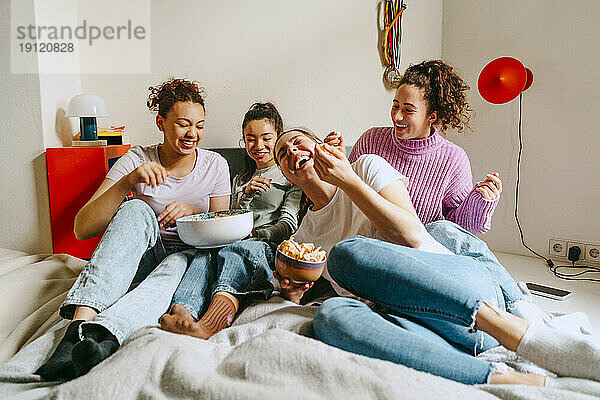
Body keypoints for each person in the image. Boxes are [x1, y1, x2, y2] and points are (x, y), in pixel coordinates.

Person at [274, 128, 600, 388]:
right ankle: (508, 378)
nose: (292, 154)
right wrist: (294, 292)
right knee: (330, 317)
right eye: (282, 154)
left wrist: (347, 180)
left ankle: (523, 335)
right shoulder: (303, 235)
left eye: (298, 143)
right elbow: (326, 289)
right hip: (432, 329)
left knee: (347, 254)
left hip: (464, 293)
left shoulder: (366, 167)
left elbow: (411, 235)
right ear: (286, 176)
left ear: (319, 146)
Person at [35, 78, 231, 381]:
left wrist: (195, 212)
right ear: (161, 123)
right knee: (136, 208)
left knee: (178, 262)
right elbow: (82, 227)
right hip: (141, 258)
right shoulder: (138, 159)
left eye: (200, 125)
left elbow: (224, 232)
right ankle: (75, 331)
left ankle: (103, 340)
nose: (193, 134)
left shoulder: (215, 165)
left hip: (185, 262)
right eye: (183, 124)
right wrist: (128, 182)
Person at [159, 102, 302, 339]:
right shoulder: (240, 178)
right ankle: (183, 311)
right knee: (204, 252)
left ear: (278, 138)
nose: (258, 146)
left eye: (266, 138)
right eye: (250, 139)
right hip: (235, 242)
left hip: (265, 247)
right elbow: (228, 217)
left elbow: (289, 224)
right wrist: (245, 195)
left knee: (241, 249)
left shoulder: (290, 173)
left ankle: (211, 324)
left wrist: (256, 235)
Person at [325, 60, 501, 234]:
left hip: (418, 254)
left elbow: (457, 229)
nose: (397, 117)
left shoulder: (453, 159)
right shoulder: (371, 139)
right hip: (363, 244)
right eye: (395, 106)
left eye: (408, 110)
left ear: (431, 116)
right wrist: (339, 162)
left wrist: (481, 201)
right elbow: (343, 203)